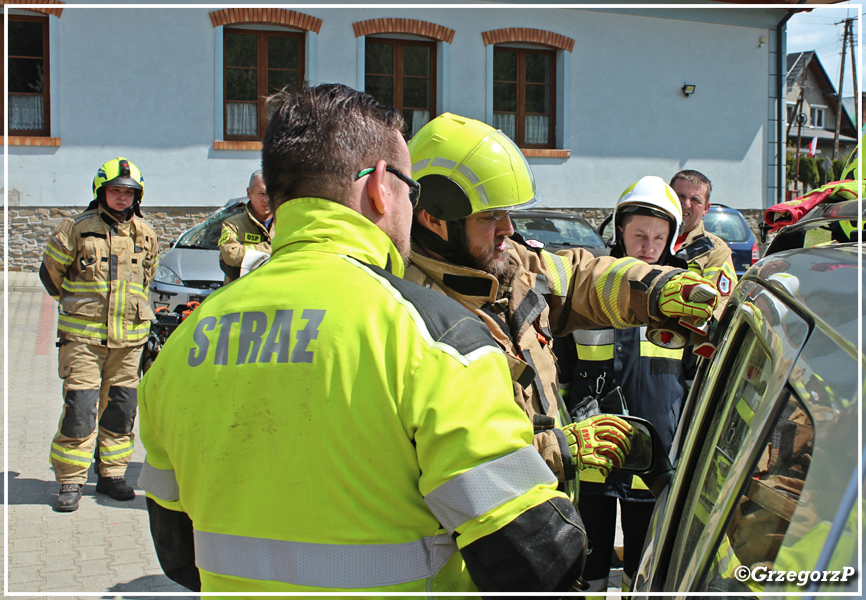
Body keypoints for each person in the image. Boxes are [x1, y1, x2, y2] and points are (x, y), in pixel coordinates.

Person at [137, 83, 635, 594]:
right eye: (410, 188)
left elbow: (179, 556)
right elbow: (537, 557)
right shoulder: (438, 340)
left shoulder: (182, 346)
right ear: (380, 185)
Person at [404, 113, 719, 497]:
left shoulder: (508, 262)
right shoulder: (412, 312)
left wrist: (653, 287)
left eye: (507, 212)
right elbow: (453, 452)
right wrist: (555, 450)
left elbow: (579, 277)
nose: (508, 228)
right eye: (490, 216)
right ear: (434, 219)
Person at [557, 176, 694, 594]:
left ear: (671, 236)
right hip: (595, 450)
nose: (649, 245)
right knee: (587, 557)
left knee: (644, 562)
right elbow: (561, 371)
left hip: (654, 453)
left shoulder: (684, 296)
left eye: (659, 236)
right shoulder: (593, 288)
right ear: (620, 230)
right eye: (639, 234)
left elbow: (692, 377)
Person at [40, 157, 158, 512]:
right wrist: (84, 307)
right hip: (83, 341)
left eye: (128, 192)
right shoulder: (75, 228)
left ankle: (111, 474)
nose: (122, 198)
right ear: (100, 192)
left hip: (129, 342)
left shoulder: (146, 233)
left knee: (121, 411)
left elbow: (146, 279)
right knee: (81, 409)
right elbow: (51, 275)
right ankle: (71, 480)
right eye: (115, 191)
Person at [669, 170, 738, 314]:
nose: (686, 204)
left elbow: (718, 308)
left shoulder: (716, 250)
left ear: (706, 208)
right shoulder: (644, 237)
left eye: (695, 200)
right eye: (680, 196)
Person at [218, 169, 273, 283]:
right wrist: (273, 247)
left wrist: (250, 254)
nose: (267, 200)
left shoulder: (286, 223)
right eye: (261, 194)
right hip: (242, 294)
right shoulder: (232, 224)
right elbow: (231, 256)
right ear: (249, 193)